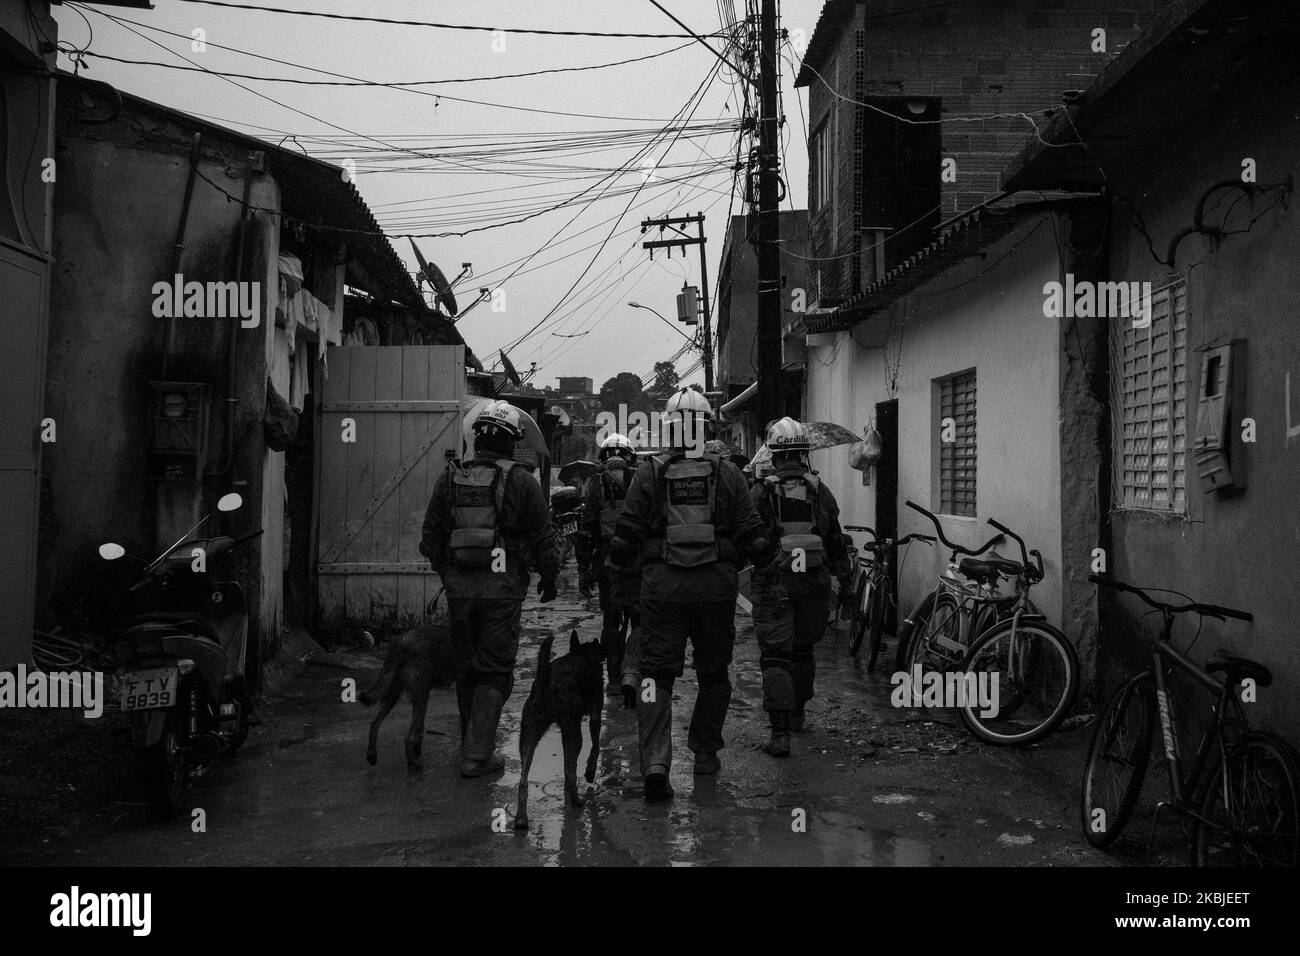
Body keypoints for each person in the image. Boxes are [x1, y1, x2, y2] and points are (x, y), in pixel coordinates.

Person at [608, 389, 772, 801]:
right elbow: (753, 536)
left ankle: (656, 764)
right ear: (706, 428)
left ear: (670, 428)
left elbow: (625, 535)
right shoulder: (729, 474)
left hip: (663, 590)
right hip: (716, 591)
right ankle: (703, 754)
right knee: (714, 674)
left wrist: (621, 570)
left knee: (656, 675)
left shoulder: (649, 472)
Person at [420, 400, 559, 777]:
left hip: (460, 592)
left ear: (476, 438)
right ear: (512, 443)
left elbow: (430, 538)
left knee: (466, 668)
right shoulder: (522, 482)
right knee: (495, 669)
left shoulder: (450, 477)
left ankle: (472, 744)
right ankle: (477, 754)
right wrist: (550, 579)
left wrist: (450, 574)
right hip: (501, 591)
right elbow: (543, 538)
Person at [749, 417, 853, 757]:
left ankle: (780, 734)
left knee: (776, 657)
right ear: (804, 454)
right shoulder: (820, 491)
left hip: (775, 585)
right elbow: (835, 540)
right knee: (804, 651)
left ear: (775, 455)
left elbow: (749, 539)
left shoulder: (762, 492)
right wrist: (846, 582)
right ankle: (798, 714)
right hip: (813, 584)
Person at [580, 433, 641, 696]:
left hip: (607, 562)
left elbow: (586, 529)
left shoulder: (595, 483)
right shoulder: (642, 478)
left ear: (604, 457)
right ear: (629, 456)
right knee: (640, 621)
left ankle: (615, 679)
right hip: (639, 562)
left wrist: (585, 569)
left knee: (612, 620)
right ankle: (635, 673)